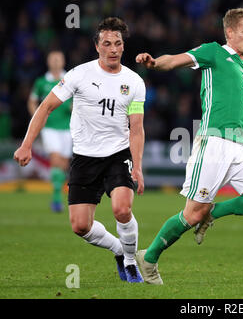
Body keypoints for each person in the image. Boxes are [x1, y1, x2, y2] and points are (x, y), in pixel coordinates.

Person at [134, 8, 243, 285]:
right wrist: (155, 63)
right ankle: (149, 257)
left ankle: (212, 213)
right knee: (192, 214)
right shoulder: (214, 52)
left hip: (242, 146)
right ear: (230, 32)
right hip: (214, 143)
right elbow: (174, 61)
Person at [14, 17, 146, 283]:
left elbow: (136, 129)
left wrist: (138, 166)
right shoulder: (78, 75)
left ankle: (132, 263)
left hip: (118, 155)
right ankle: (119, 250)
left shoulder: (134, 82)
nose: (113, 49)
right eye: (107, 43)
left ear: (123, 46)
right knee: (80, 226)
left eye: (117, 44)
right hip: (85, 157)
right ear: (97, 46)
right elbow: (46, 107)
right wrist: (27, 143)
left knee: (122, 209)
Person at [28, 50, 72, 213]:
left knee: (63, 164)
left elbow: (78, 102)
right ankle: (56, 199)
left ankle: (57, 194)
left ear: (63, 61)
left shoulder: (69, 79)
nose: (55, 61)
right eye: (52, 59)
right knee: (55, 159)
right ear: (48, 62)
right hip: (49, 128)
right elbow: (32, 101)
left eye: (58, 59)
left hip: (68, 127)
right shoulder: (41, 82)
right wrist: (37, 118)